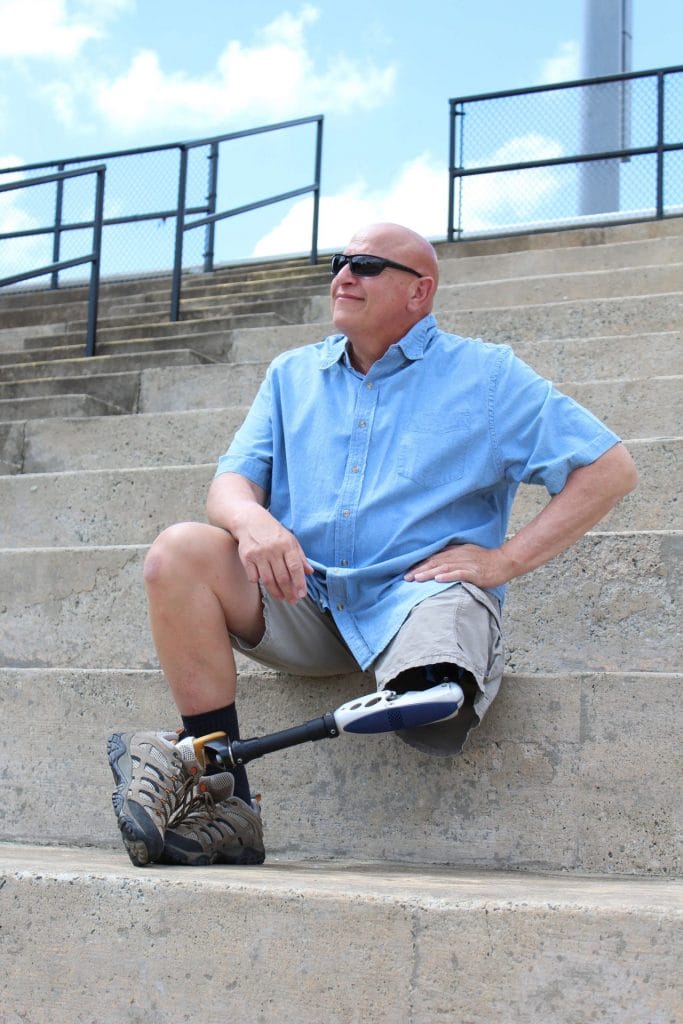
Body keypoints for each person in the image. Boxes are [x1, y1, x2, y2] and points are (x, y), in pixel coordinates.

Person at [107, 222, 638, 868]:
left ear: (420, 293)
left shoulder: (488, 376)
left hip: (417, 600)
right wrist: (254, 523)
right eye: (339, 262)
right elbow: (229, 484)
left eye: (365, 265)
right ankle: (228, 799)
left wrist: (506, 560)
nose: (343, 276)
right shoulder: (289, 375)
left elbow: (609, 468)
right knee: (176, 553)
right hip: (302, 594)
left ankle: (434, 676)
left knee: (431, 698)